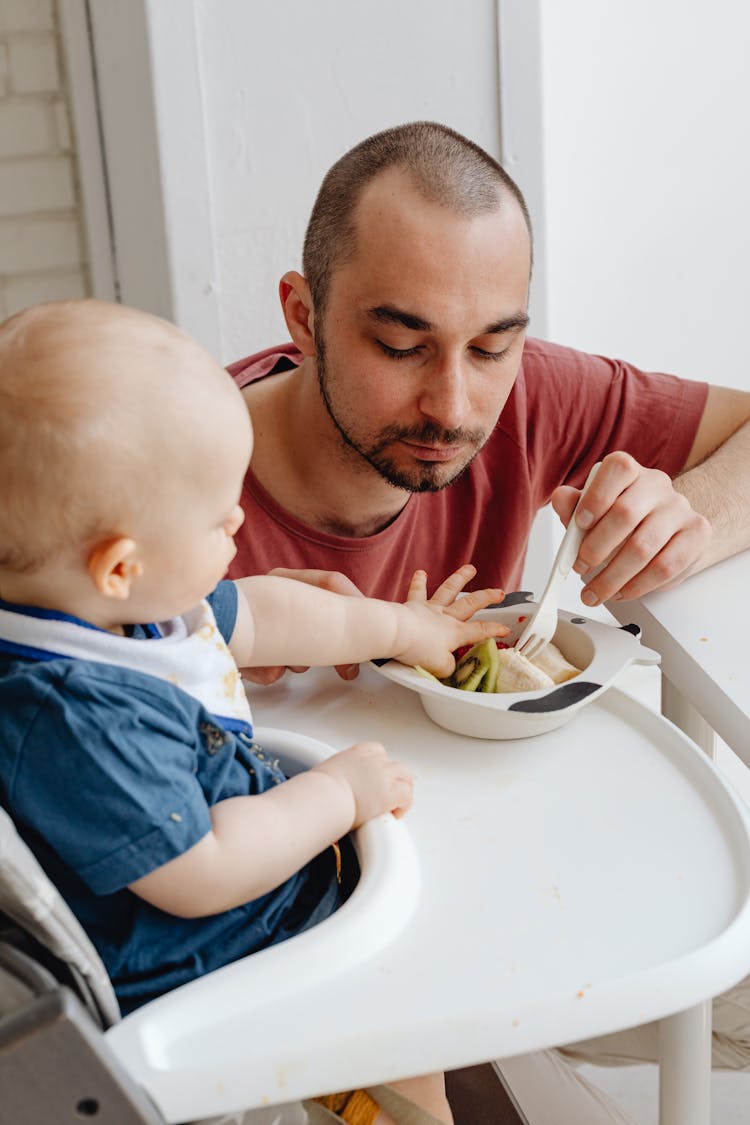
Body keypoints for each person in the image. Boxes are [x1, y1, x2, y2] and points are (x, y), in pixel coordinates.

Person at [223, 121, 750, 1122]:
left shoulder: (531, 396)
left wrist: (687, 519)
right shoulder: (171, 486)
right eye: (399, 344)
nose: (455, 404)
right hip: (292, 943)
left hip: (503, 875)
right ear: (301, 315)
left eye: (492, 345)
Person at [0, 299, 516, 1125]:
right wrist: (343, 795)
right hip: (222, 969)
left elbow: (266, 614)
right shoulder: (74, 718)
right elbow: (203, 870)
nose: (241, 521)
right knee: (409, 1048)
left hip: (260, 889)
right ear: (121, 566)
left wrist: (399, 627)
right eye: (217, 517)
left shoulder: (114, 610)